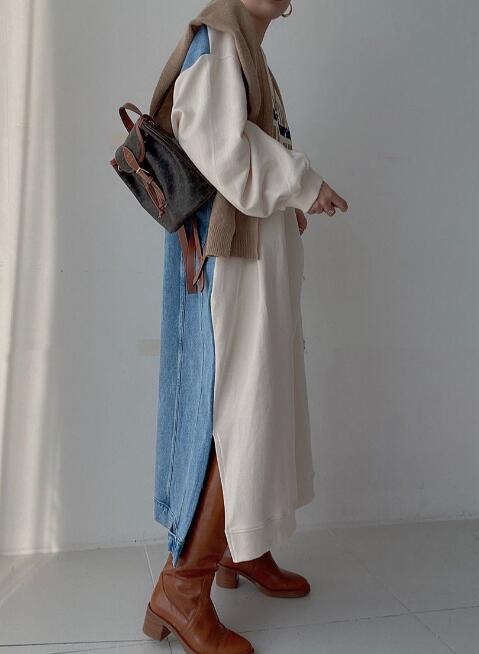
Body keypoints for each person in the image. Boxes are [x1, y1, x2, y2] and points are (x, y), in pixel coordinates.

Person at [142, 1, 348, 652]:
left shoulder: (244, 47)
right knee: (238, 411)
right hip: (231, 268)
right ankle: (183, 587)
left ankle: (242, 547)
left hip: (253, 258)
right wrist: (300, 182)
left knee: (264, 402)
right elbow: (219, 149)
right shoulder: (217, 41)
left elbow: (251, 146)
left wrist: (288, 198)